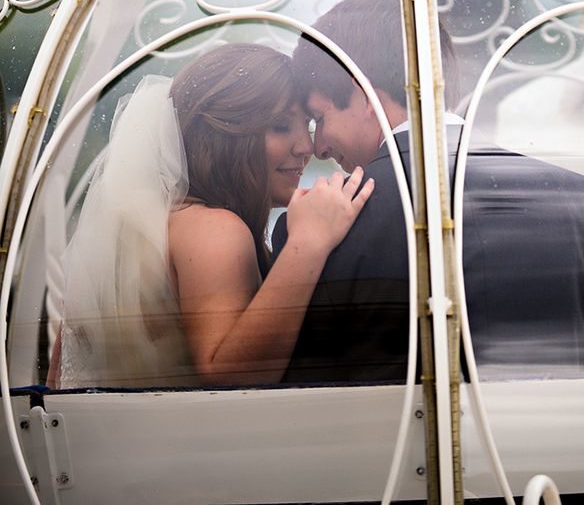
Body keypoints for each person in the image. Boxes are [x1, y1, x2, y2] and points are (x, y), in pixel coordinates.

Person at [272, 0, 584, 383]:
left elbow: (300, 396)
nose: (320, 147)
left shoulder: (315, 230)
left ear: (366, 97)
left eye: (320, 117)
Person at [50, 43, 373, 389]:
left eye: (307, 125)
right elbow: (228, 374)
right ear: (224, 135)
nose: (306, 147)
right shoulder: (215, 229)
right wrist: (309, 244)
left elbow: (57, 376)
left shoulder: (150, 228)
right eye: (281, 126)